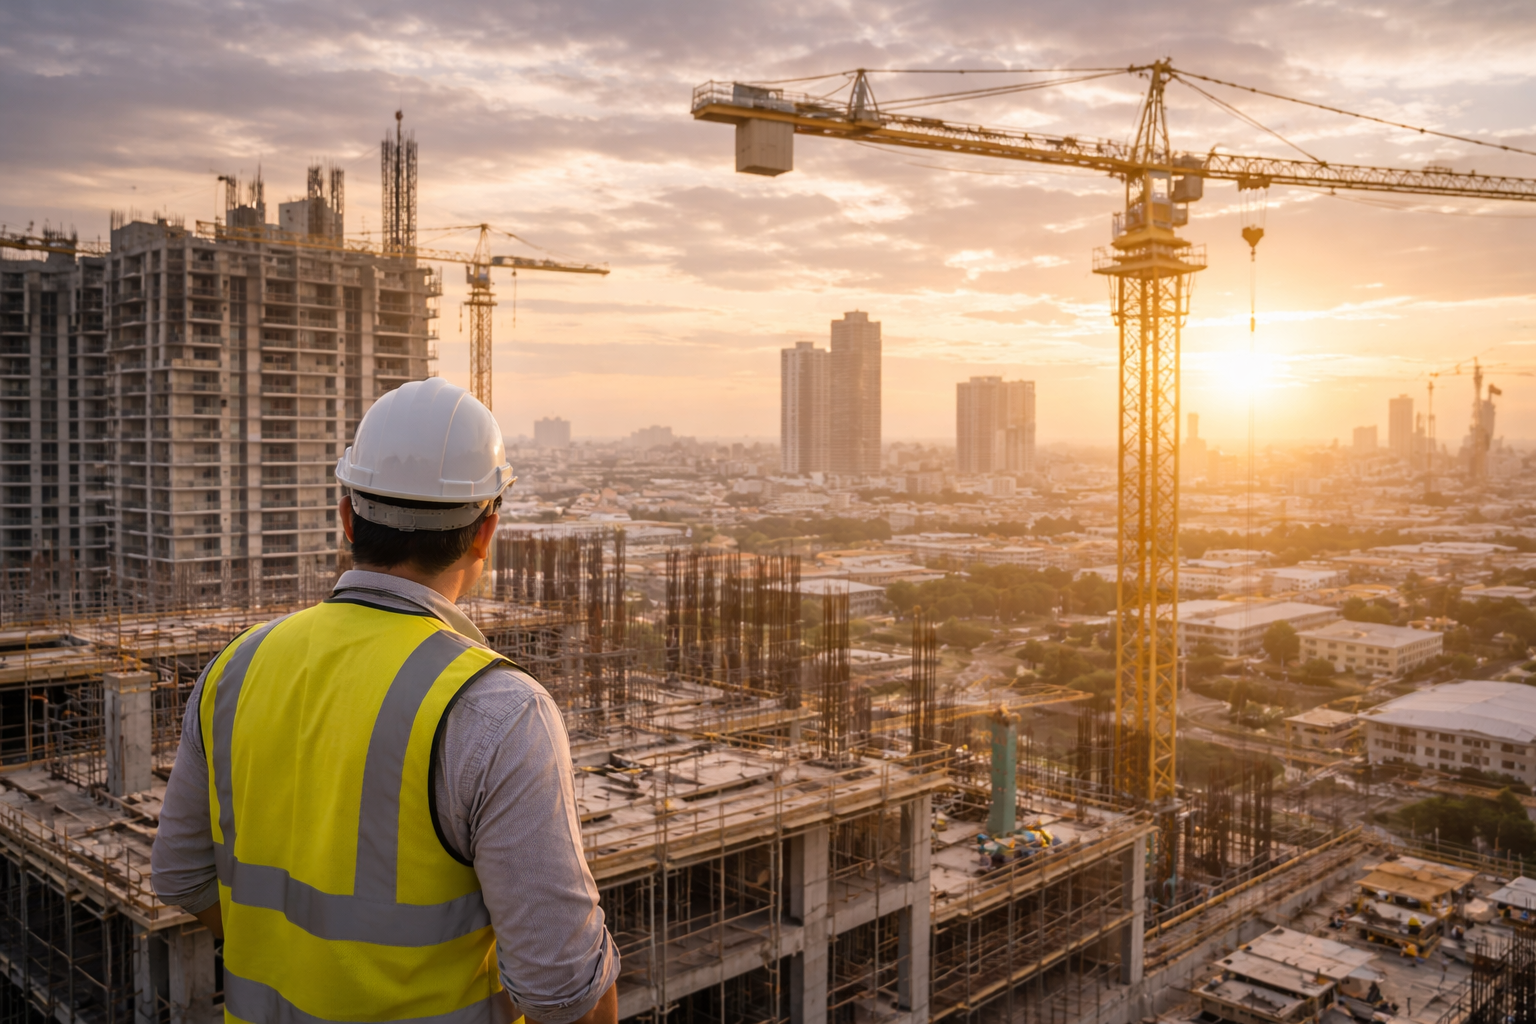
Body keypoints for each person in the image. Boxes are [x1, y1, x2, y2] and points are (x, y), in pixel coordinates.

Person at [151, 379, 619, 1024]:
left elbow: (180, 876)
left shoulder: (238, 666)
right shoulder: (495, 711)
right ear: (486, 532)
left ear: (346, 517)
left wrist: (302, 956)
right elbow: (563, 991)